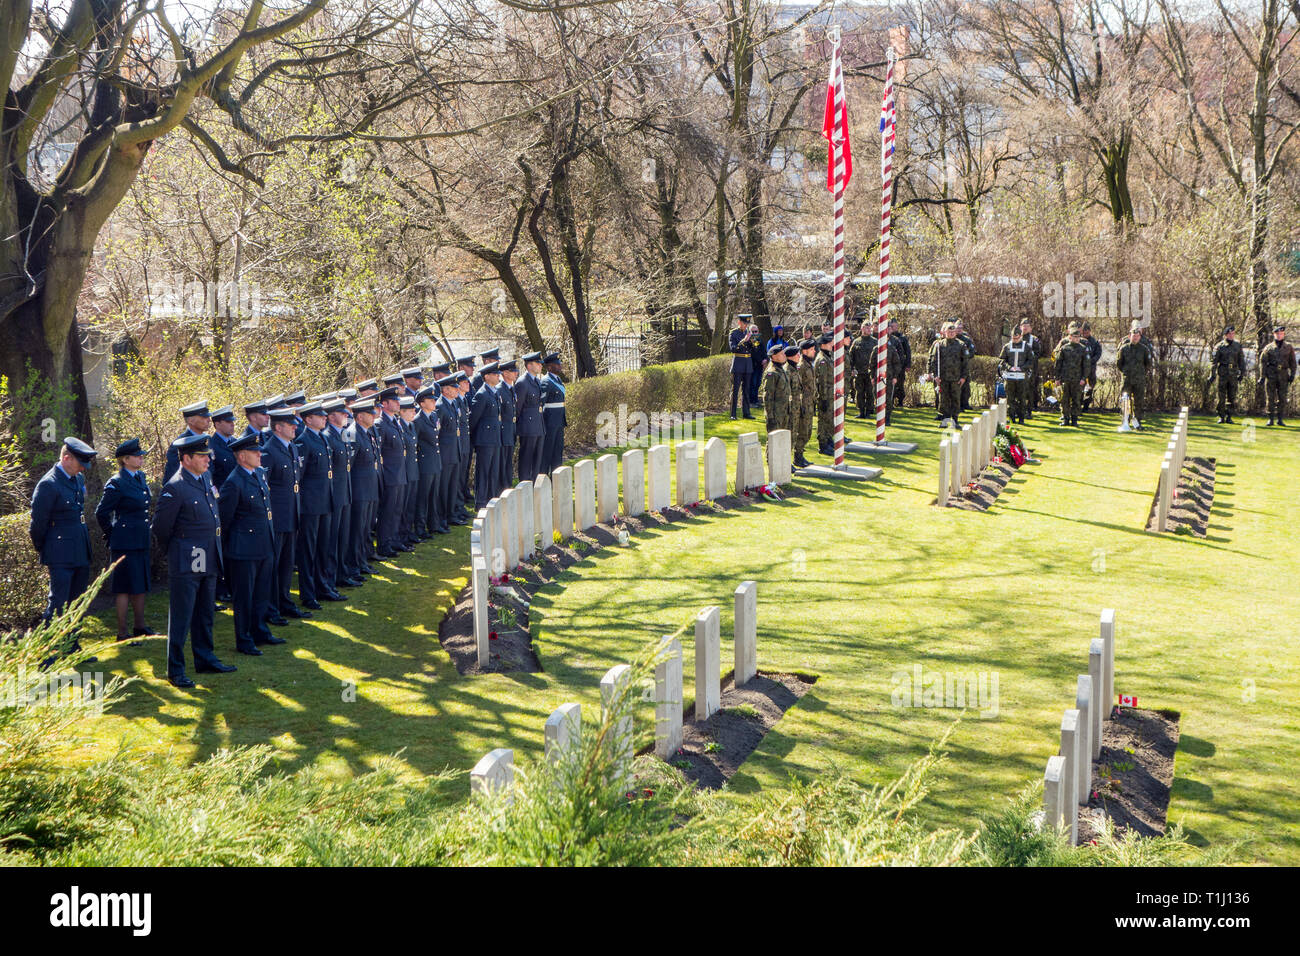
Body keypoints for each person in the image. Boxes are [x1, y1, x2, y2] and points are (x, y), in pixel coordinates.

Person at [154, 434, 234, 688]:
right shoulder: (175, 487)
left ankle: (205, 658)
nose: (208, 460)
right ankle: (175, 669)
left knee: (204, 612)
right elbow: (161, 529)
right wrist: (179, 552)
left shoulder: (205, 479)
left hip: (209, 556)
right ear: (186, 459)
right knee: (182, 615)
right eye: (202, 456)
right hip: (188, 560)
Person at [30, 438, 98, 658]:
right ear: (66, 457)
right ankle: (46, 653)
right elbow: (38, 524)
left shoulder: (76, 479)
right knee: (57, 603)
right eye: (79, 463)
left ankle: (71, 645)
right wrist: (46, 549)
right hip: (59, 553)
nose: (82, 468)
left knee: (77, 602)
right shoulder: (48, 484)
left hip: (79, 549)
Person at [219, 432, 284, 657]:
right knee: (244, 597)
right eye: (255, 452)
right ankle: (244, 638)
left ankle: (260, 630)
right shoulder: (234, 482)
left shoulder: (258, 474)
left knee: (261, 593)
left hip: (264, 544)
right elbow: (225, 520)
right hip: (243, 549)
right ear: (241, 456)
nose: (260, 455)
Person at [94, 438, 154, 644]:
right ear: (125, 459)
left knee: (140, 584)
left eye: (141, 455)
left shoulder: (140, 477)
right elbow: (102, 513)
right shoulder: (117, 482)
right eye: (137, 456)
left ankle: (139, 626)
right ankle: (122, 632)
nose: (141, 458)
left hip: (140, 539)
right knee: (124, 587)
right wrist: (112, 534)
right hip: (125, 541)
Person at [262, 407, 308, 620]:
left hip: (291, 514)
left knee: (287, 563)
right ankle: (271, 608)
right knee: (274, 565)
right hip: (278, 518)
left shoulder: (292, 448)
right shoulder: (268, 451)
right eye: (291, 425)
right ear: (278, 427)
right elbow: (264, 487)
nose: (295, 427)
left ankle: (285, 601)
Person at [295, 402, 342, 606]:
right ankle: (308, 593)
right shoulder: (303, 441)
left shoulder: (322, 438)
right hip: (310, 506)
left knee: (323, 547)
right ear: (308, 419)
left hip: (324, 502)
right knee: (308, 551)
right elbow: (300, 478)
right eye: (319, 416)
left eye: (324, 416)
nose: (324, 418)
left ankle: (323, 587)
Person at [323, 397, 359, 588]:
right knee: (333, 538)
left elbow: (349, 463)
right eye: (342, 413)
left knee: (343, 536)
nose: (346, 415)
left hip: (345, 491)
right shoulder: (327, 436)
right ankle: (331, 578)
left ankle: (342, 573)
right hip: (334, 494)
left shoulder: (345, 434)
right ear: (330, 416)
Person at [344, 397, 381, 575]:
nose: (374, 416)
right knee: (357, 530)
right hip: (359, 491)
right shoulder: (352, 434)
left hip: (369, 488)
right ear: (359, 416)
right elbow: (348, 467)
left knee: (365, 528)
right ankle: (354, 565)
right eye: (370, 413)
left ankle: (362, 561)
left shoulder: (367, 432)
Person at [375, 386, 409, 557]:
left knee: (397, 509)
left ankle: (394, 540)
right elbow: (378, 453)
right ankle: (384, 544)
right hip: (389, 475)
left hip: (399, 473)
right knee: (387, 511)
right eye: (394, 401)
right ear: (385, 404)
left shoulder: (395, 422)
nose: (398, 403)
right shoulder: (380, 424)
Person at [470, 361, 503, 508]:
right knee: (483, 471)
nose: (498, 377)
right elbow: (474, 419)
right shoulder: (482, 394)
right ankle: (481, 502)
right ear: (487, 376)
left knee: (493, 471)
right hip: (485, 440)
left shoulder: (494, 392)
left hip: (495, 438)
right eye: (495, 374)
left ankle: (491, 498)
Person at [436, 375, 465, 527]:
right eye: (454, 388)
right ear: (446, 390)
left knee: (453, 485)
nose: (457, 390)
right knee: (444, 487)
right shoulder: (440, 406)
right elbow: (437, 432)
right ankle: (442, 517)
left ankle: (451, 513)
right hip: (446, 453)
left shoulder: (453, 403)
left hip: (455, 450)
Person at [413, 385, 443, 537]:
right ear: (422, 403)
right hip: (425, 464)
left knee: (434, 496)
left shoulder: (434, 416)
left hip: (435, 462)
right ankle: (420, 528)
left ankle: (434, 524)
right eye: (430, 400)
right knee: (423, 498)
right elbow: (414, 444)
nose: (434, 402)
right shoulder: (418, 420)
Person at [928, 322, 969, 427]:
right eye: (949, 331)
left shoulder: (961, 345)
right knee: (944, 400)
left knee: (955, 399)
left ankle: (955, 421)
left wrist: (964, 377)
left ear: (955, 332)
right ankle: (945, 420)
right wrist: (935, 376)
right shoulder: (939, 345)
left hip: (956, 378)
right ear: (945, 332)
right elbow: (934, 361)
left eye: (953, 332)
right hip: (943, 378)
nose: (951, 333)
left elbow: (965, 363)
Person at [1116, 322, 1154, 430]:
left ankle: (1137, 423)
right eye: (1134, 336)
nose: (1136, 338)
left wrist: (1141, 373)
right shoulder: (1123, 348)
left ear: (1140, 337)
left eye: (1137, 336)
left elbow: (1148, 364)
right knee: (1125, 401)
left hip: (1139, 380)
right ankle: (1125, 421)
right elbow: (1119, 363)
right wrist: (1126, 373)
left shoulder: (1144, 349)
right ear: (1129, 336)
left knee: (1139, 401)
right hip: (1127, 380)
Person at [164, 400, 212, 482]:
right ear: (191, 421)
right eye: (204, 417)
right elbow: (173, 477)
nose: (209, 420)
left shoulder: (206, 440)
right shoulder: (180, 444)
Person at [515, 352, 546, 482]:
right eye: (537, 363)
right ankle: (525, 483)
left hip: (538, 425)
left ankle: (534, 483)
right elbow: (518, 408)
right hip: (528, 427)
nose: (540, 366)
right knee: (527, 457)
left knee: (537, 458)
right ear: (529, 365)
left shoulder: (537, 381)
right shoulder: (522, 382)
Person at [1054, 322, 1090, 427]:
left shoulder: (1083, 349)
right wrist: (1057, 378)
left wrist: (1084, 378)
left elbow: (1086, 366)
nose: (1077, 339)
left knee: (1076, 400)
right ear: (1070, 337)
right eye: (1074, 337)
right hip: (1065, 379)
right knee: (1064, 400)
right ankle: (1065, 419)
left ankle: (1074, 420)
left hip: (1078, 380)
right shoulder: (1064, 348)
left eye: (1078, 337)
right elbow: (1058, 364)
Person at [1261, 323, 1297, 426]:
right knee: (1270, 397)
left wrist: (1292, 374)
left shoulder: (1288, 347)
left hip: (1283, 375)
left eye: (1281, 333)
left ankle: (1280, 419)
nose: (1279, 335)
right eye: (1278, 334)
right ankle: (1271, 418)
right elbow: (1263, 362)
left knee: (1282, 397)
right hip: (1271, 374)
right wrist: (1262, 376)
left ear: (1284, 334)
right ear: (1274, 335)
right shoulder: (1268, 348)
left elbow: (1293, 362)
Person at [1209, 326, 1247, 424]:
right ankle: (1221, 416)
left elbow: (1241, 361)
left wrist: (1242, 373)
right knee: (1221, 396)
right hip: (1223, 373)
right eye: (1229, 334)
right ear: (1225, 335)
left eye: (1233, 333)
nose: (1231, 335)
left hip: (1233, 374)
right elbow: (1214, 362)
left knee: (1232, 396)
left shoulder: (1237, 346)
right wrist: (1212, 374)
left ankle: (1229, 416)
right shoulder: (1220, 346)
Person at [997, 326, 1034, 425]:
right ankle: (1012, 417)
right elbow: (1002, 360)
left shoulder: (1026, 347)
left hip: (1022, 377)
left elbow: (1031, 361)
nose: (1014, 340)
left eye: (1016, 338)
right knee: (1010, 398)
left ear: (1021, 336)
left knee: (1022, 398)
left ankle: (1021, 418)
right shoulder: (1007, 346)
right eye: (1013, 338)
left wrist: (1022, 368)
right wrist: (1009, 367)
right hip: (1010, 377)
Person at [398, 395, 421, 546]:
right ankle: (401, 535)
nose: (414, 413)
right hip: (404, 471)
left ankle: (408, 532)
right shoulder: (400, 427)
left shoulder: (411, 425)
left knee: (411, 505)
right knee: (403, 506)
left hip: (413, 470)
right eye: (411, 411)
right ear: (402, 412)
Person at [541, 353, 567, 473]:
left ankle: (556, 477)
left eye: (559, 364)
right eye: (557, 364)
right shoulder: (546, 381)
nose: (559, 366)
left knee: (558, 451)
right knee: (548, 451)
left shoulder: (558, 380)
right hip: (550, 421)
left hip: (559, 420)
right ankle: (544, 477)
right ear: (549, 367)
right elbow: (542, 403)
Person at [792, 338, 817, 467]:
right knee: (802, 430)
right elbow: (798, 385)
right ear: (805, 351)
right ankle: (798, 456)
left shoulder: (809, 364)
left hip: (809, 401)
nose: (814, 352)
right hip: (803, 403)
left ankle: (801, 454)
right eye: (812, 349)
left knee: (807, 431)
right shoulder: (801, 366)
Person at [496, 359, 519, 493]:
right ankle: (502, 488)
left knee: (508, 461)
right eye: (513, 371)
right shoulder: (500, 390)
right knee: (503, 462)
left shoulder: (511, 388)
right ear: (504, 373)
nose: (516, 373)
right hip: (503, 432)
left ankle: (508, 486)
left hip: (511, 430)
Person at [761, 343, 793, 433]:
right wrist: (770, 417)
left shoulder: (781, 370)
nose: (784, 355)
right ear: (774, 357)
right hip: (776, 414)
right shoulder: (771, 373)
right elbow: (767, 396)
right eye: (782, 354)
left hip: (784, 412)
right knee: (773, 441)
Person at [728, 314, 755, 419]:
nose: (745, 325)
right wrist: (743, 340)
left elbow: (753, 350)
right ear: (739, 322)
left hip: (747, 364)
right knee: (735, 390)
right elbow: (733, 348)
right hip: (738, 363)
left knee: (747, 390)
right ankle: (733, 414)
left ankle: (746, 413)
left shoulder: (748, 333)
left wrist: (753, 342)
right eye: (744, 323)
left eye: (747, 323)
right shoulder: (733, 333)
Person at [813, 333, 835, 454]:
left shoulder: (828, 357)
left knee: (829, 418)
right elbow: (822, 381)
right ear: (823, 345)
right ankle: (823, 443)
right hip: (824, 395)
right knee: (823, 419)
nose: (832, 345)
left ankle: (828, 439)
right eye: (829, 343)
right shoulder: (822, 360)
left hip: (830, 394)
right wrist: (824, 398)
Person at [849, 324, 877, 419]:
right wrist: (852, 369)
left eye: (870, 327)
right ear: (862, 329)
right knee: (859, 392)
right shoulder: (856, 342)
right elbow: (851, 356)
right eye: (866, 327)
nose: (869, 329)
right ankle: (861, 411)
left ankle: (869, 411)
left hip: (870, 373)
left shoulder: (874, 342)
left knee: (870, 392)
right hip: (859, 372)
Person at [1020, 318, 1042, 417]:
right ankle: (1018, 410)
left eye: (1027, 326)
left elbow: (1037, 354)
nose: (1025, 328)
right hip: (1018, 369)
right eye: (1023, 326)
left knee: (1029, 390)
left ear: (1030, 328)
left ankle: (1028, 411)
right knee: (1019, 390)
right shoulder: (1017, 338)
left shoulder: (1034, 339)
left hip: (1030, 369)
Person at [953, 320, 977, 411]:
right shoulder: (952, 339)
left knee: (966, 386)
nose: (959, 330)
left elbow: (972, 352)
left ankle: (965, 403)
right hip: (954, 367)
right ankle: (957, 405)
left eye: (961, 328)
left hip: (964, 366)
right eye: (957, 328)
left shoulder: (966, 340)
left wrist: (964, 358)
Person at [1080, 323, 1103, 412]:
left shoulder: (1094, 342)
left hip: (1091, 368)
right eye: (1084, 331)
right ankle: (1078, 405)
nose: (1085, 333)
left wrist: (1091, 361)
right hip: (1081, 368)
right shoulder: (1079, 340)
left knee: (1090, 387)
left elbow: (1098, 353)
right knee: (1080, 387)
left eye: (1087, 331)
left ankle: (1086, 406)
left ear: (1090, 331)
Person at [889, 318, 911, 408]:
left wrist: (908, 364)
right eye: (893, 326)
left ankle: (900, 402)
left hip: (900, 365)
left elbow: (907, 352)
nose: (895, 328)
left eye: (896, 326)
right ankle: (891, 400)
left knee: (900, 384)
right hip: (890, 365)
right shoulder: (887, 337)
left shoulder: (902, 338)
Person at [747, 324, 765, 407]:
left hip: (759, 366)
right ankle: (752, 401)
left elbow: (764, 352)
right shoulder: (749, 342)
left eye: (756, 331)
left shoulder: (760, 341)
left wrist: (766, 359)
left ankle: (756, 400)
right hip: (752, 366)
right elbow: (753, 354)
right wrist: (761, 360)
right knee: (753, 383)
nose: (754, 333)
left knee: (758, 383)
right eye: (752, 331)